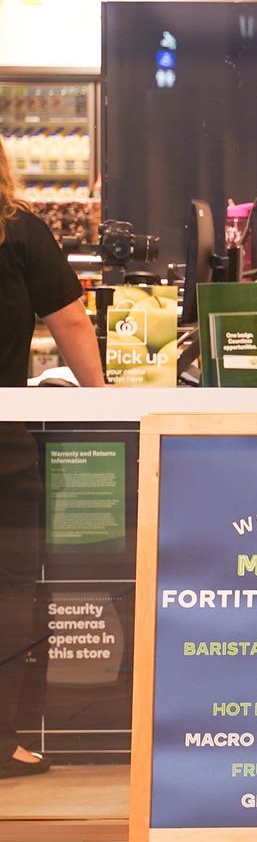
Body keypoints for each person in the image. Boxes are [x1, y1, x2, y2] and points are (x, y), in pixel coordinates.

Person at [0, 142, 106, 780]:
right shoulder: (18, 233)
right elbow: (70, 320)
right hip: (3, 444)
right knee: (8, 594)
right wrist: (99, 401)